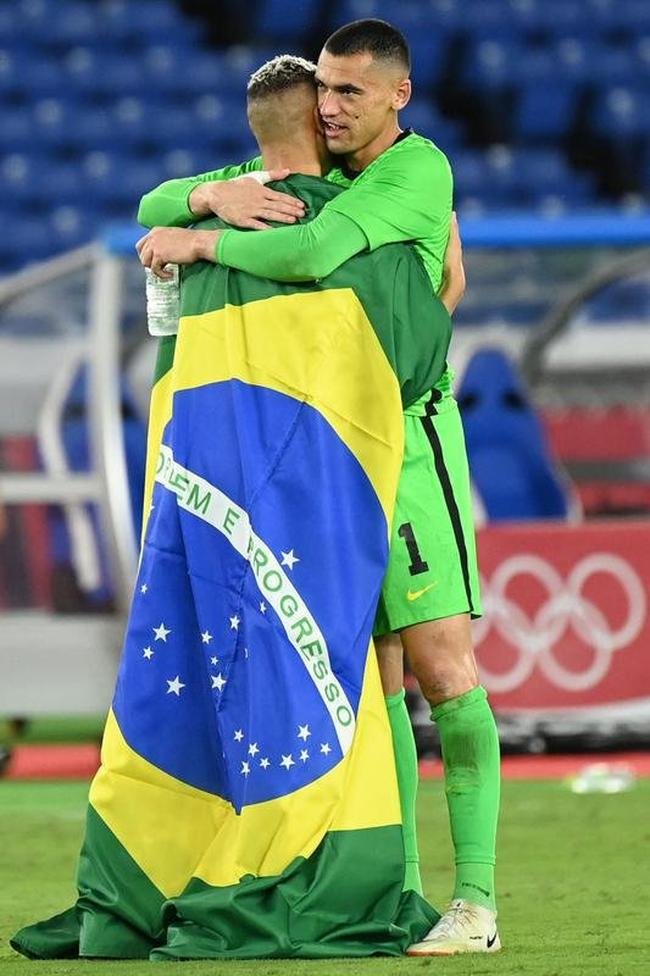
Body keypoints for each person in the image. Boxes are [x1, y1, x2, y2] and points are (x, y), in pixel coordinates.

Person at [137, 19, 501, 957]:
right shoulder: (322, 169)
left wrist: (202, 241)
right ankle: (401, 890)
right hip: (336, 457)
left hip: (411, 446)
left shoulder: (415, 173)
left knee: (442, 670)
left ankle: (480, 904)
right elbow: (150, 199)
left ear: (398, 96)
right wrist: (213, 195)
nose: (330, 108)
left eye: (349, 92)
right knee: (369, 680)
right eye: (325, 90)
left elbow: (305, 255)